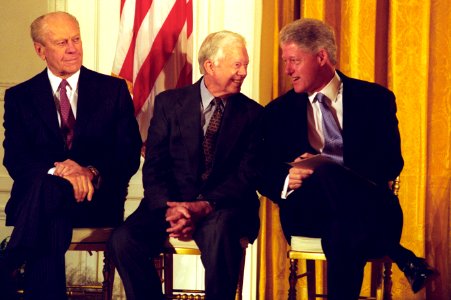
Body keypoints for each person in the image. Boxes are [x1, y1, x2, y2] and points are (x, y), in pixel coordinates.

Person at [258, 18, 438, 299]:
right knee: (338, 211)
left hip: (373, 209)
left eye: (293, 60)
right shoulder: (276, 112)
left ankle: (399, 253)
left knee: (341, 225)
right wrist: (287, 179)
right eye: (285, 61)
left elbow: (392, 162)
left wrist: (334, 169)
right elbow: (261, 171)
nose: (287, 70)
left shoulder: (375, 99)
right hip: (309, 213)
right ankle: (402, 256)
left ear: (321, 57)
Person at [108, 30, 262, 300]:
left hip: (222, 207)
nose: (243, 72)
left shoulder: (254, 114)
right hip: (169, 205)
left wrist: (201, 207)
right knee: (123, 240)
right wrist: (174, 211)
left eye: (246, 65)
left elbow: (247, 175)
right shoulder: (169, 103)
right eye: (237, 64)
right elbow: (155, 166)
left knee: (219, 235)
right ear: (210, 66)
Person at [0, 12, 142, 300]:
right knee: (53, 211)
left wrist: (88, 172)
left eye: (76, 39)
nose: (73, 48)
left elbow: (127, 153)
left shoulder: (112, 90)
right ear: (40, 50)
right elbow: (15, 159)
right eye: (62, 42)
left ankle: (9, 262)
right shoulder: (20, 96)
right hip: (43, 205)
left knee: (49, 207)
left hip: (94, 200)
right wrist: (60, 173)